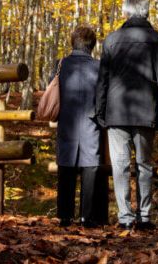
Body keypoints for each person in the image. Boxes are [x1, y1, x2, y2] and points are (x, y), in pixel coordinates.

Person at [95, 0, 158, 230]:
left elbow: (103, 82)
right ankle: (145, 216)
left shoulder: (111, 39)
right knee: (144, 165)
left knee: (119, 165)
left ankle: (125, 217)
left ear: (126, 14)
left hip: (116, 112)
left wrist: (99, 111)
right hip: (146, 110)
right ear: (146, 13)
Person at [54, 25, 107, 228]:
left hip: (66, 120)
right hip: (91, 120)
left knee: (65, 166)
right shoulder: (99, 66)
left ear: (72, 43)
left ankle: (65, 216)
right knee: (90, 167)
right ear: (92, 45)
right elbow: (103, 95)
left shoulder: (60, 64)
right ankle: (87, 217)